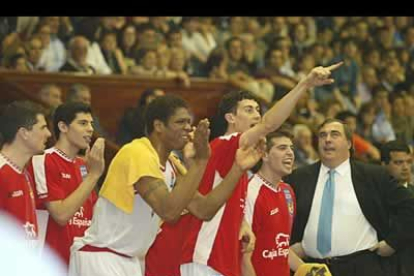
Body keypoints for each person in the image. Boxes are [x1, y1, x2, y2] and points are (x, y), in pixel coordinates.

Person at [68, 94, 260, 276]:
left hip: (130, 260)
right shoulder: (137, 152)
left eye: (189, 122)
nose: (188, 128)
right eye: (180, 122)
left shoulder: (172, 163)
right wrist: (201, 162)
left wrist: (237, 169)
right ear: (159, 126)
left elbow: (204, 210)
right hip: (101, 255)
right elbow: (169, 211)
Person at [180, 62, 343, 276]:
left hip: (219, 260)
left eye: (258, 110)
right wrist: (304, 84)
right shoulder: (225, 143)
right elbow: (268, 124)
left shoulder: (238, 160)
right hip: (206, 257)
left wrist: (241, 223)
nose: (256, 115)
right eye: (249, 110)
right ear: (231, 118)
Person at [285, 119, 414, 276]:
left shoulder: (372, 175)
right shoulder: (299, 177)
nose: (327, 140)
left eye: (335, 134)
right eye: (322, 135)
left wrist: (393, 242)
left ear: (349, 143)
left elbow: (409, 206)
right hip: (312, 267)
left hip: (362, 267)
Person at [241, 128, 330, 276]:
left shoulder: (287, 191)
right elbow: (242, 256)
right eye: (282, 148)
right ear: (264, 154)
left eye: (291, 148)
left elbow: (280, 248)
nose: (290, 153)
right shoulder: (250, 192)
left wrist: (309, 271)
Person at [28, 102, 105, 267]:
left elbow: (93, 218)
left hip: (80, 264)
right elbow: (61, 215)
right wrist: (94, 175)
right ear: (63, 126)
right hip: (50, 263)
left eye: (91, 123)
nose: (90, 129)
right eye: (83, 123)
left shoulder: (85, 165)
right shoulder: (44, 160)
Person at [0, 101, 52, 242]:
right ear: (24, 133)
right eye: (43, 127)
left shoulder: (24, 173)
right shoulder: (2, 172)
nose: (48, 134)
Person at [381, 140, 414, 276]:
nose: (406, 167)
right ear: (384, 165)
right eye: (398, 163)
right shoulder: (377, 197)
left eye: (408, 161)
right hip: (388, 266)